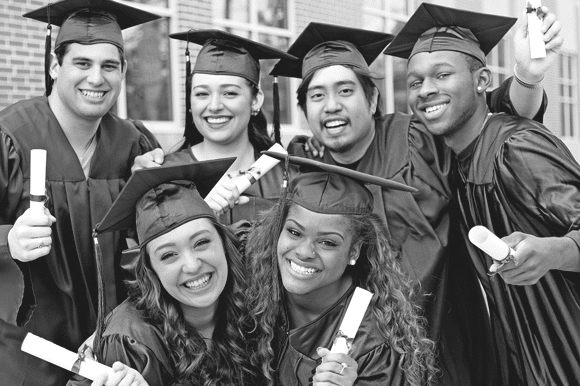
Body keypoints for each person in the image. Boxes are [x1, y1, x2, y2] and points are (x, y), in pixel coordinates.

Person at [269, 13, 561, 385]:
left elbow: (485, 121)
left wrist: (527, 76)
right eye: (317, 95)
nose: (331, 106)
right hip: (359, 354)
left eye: (345, 91)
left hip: (446, 335)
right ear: (305, 109)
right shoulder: (307, 173)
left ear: (372, 98)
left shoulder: (416, 140)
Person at [387, 3, 580, 385]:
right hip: (522, 354)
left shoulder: (516, 147)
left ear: (481, 81)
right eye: (414, 82)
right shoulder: (453, 157)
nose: (426, 90)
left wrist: (554, 252)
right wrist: (526, 78)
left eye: (442, 74)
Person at [0, 1, 161, 385]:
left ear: (123, 72)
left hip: (112, 357)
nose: (96, 78)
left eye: (109, 66)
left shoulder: (134, 145)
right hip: (25, 355)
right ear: (55, 67)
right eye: (82, 63)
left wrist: (150, 194)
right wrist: (7, 241)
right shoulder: (10, 138)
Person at [245, 154, 437, 386]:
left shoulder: (372, 344)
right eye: (294, 232)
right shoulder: (254, 293)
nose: (305, 252)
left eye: (327, 242)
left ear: (354, 252)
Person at [68, 160, 257, 386]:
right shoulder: (132, 345)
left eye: (201, 242)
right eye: (168, 255)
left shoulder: (254, 303)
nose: (192, 265)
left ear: (225, 243)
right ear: (150, 270)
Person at [133, 30, 295, 224]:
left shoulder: (287, 176)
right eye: (202, 94)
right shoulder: (167, 174)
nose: (214, 106)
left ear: (256, 100)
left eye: (229, 93)